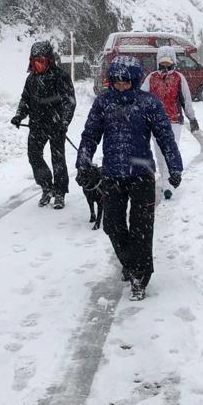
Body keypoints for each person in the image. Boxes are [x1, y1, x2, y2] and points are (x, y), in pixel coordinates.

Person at [76, 56, 183, 301]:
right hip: (112, 174)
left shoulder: (148, 104)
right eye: (116, 81)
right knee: (112, 224)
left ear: (134, 81)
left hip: (142, 175)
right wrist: (83, 162)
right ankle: (129, 261)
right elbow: (90, 135)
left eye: (125, 82)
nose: (120, 85)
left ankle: (140, 276)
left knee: (141, 229)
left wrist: (174, 167)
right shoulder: (103, 103)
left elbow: (165, 137)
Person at [11, 40, 76, 209]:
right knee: (34, 155)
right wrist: (19, 115)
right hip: (37, 125)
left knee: (58, 159)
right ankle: (47, 187)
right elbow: (25, 100)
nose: (38, 64)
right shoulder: (31, 80)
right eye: (35, 61)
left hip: (56, 125)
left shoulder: (61, 77)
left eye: (41, 60)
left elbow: (70, 101)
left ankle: (60, 192)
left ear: (49, 60)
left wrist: (64, 121)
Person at [141, 45, 199, 200]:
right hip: (155, 122)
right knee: (160, 153)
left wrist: (191, 118)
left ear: (173, 62)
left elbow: (186, 99)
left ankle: (168, 185)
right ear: (158, 62)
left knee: (171, 150)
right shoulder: (151, 77)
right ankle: (167, 181)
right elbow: (141, 98)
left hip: (174, 121)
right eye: (163, 63)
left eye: (168, 63)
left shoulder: (179, 78)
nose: (165, 66)